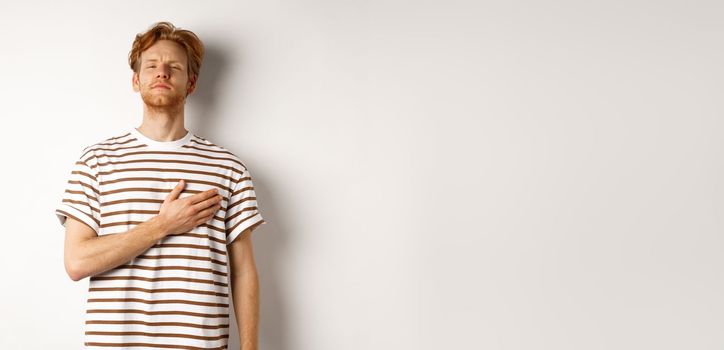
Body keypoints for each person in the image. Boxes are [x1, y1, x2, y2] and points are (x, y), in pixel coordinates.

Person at [54, 21, 267, 350]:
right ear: (136, 80)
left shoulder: (228, 167)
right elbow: (77, 262)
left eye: (174, 67)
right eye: (151, 65)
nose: (162, 73)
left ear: (191, 83)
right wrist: (163, 225)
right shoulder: (96, 161)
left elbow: (244, 272)